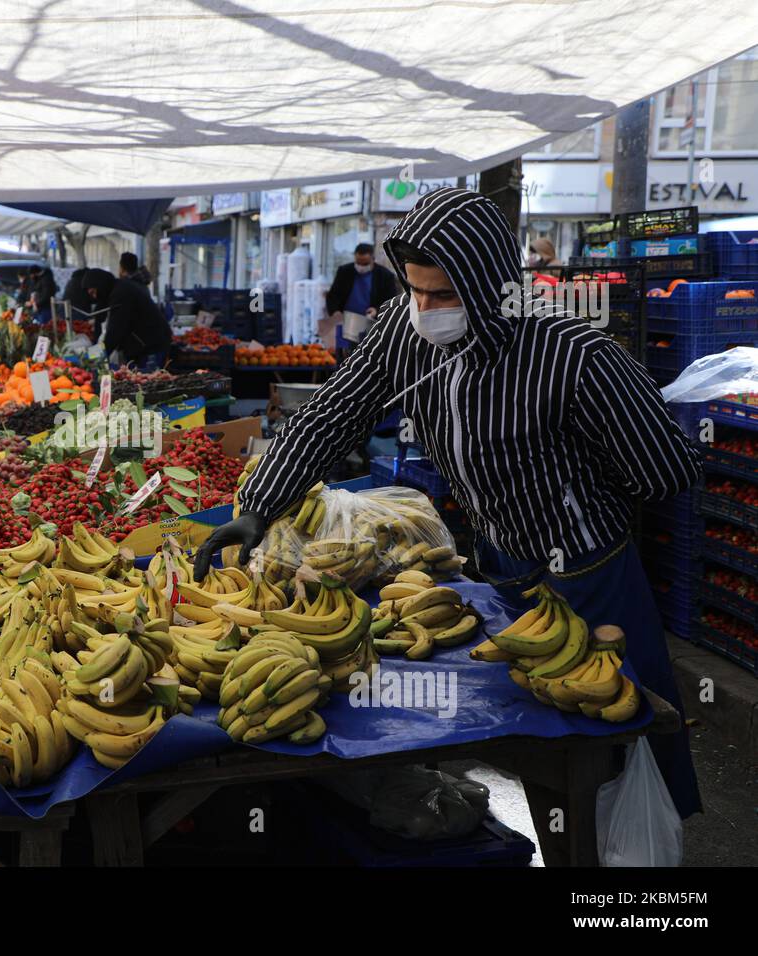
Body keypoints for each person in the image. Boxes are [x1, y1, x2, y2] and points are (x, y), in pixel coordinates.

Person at [194, 187, 702, 826]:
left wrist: (582, 487)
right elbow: (332, 413)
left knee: (621, 722)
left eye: (444, 296)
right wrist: (261, 504)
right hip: (504, 561)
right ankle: (564, 831)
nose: (424, 309)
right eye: (415, 291)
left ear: (490, 287)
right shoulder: (403, 338)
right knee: (542, 730)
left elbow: (666, 470)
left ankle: (646, 873)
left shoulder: (573, 355)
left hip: (588, 570)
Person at [81, 268, 171, 370]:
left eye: (93, 292)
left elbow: (116, 330)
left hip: (151, 345)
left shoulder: (122, 293)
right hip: (141, 345)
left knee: (148, 380)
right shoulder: (114, 290)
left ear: (100, 285)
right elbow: (100, 318)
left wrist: (93, 358)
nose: (94, 297)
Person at [325, 242, 399, 347]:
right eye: (358, 263)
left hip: (370, 324)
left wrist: (376, 310)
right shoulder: (344, 271)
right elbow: (333, 295)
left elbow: (391, 300)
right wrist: (335, 311)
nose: (361, 266)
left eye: (365, 263)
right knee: (343, 355)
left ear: (373, 259)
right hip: (344, 323)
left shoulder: (385, 276)